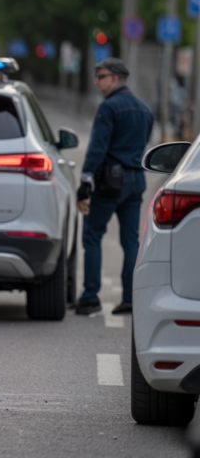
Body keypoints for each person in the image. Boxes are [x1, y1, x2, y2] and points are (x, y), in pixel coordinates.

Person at [76, 57, 153, 316]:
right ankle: (130, 298)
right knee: (131, 241)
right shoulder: (145, 109)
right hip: (136, 180)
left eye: (101, 76)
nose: (97, 81)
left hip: (110, 181)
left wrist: (86, 182)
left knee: (92, 235)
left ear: (116, 78)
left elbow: (98, 148)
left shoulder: (108, 108)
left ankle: (90, 298)